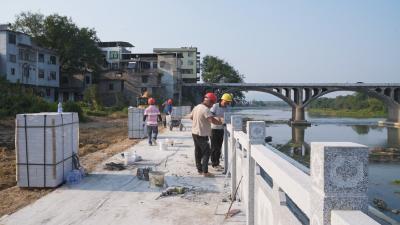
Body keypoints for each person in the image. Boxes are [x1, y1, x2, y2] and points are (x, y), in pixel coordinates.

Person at [190, 92, 223, 177]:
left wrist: (199, 121)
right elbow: (212, 120)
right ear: (209, 101)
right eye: (212, 103)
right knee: (206, 152)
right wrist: (221, 122)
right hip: (202, 133)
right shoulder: (205, 109)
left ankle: (199, 169)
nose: (212, 106)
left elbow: (191, 117)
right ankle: (205, 172)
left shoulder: (196, 107)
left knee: (197, 151)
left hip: (194, 132)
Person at [210, 93, 232, 171]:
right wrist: (219, 118)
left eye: (228, 102)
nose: (227, 103)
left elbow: (229, 118)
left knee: (219, 147)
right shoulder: (215, 106)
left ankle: (217, 162)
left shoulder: (228, 108)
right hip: (213, 128)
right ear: (222, 100)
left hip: (222, 129)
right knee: (214, 147)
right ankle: (214, 163)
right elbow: (210, 115)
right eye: (226, 101)